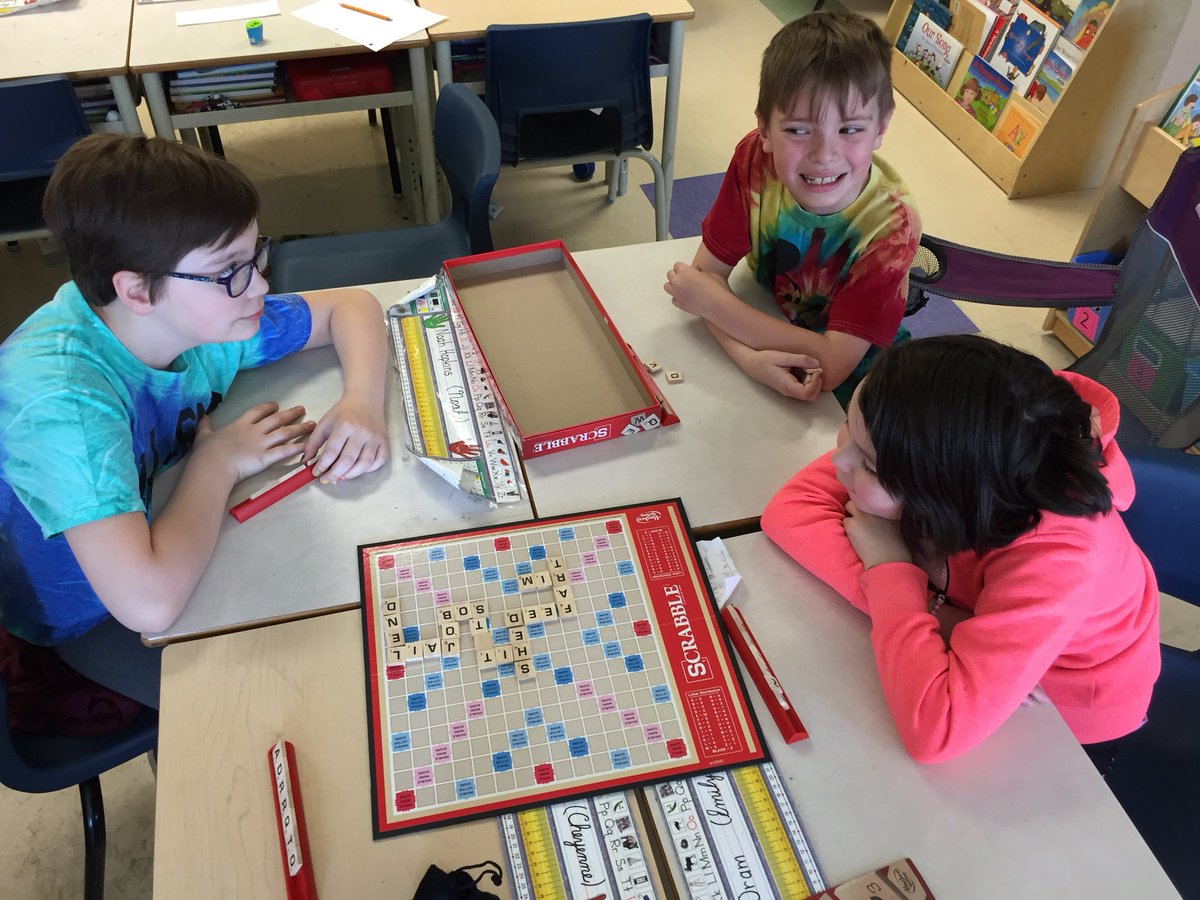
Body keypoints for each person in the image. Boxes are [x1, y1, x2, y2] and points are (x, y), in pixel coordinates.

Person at [0, 134, 390, 710]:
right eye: (230, 269)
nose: (259, 284)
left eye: (257, 255)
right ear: (135, 289)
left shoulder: (185, 320)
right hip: (88, 619)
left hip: (158, 534)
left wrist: (360, 401)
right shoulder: (65, 405)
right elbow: (148, 604)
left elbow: (351, 306)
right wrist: (216, 461)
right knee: (310, 696)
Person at [761, 335, 1160, 767]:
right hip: (988, 643)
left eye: (870, 464)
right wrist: (942, 616)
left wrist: (890, 567)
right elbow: (790, 511)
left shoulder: (1061, 555)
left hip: (1063, 708)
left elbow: (937, 730)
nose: (839, 461)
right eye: (849, 429)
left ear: (952, 495)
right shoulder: (947, 429)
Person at [663, 11, 920, 408]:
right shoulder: (754, 159)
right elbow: (704, 279)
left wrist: (716, 306)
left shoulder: (892, 228)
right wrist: (748, 359)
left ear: (881, 127)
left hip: (860, 380)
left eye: (850, 129)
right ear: (765, 130)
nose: (824, 155)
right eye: (799, 130)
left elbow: (833, 366)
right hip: (769, 320)